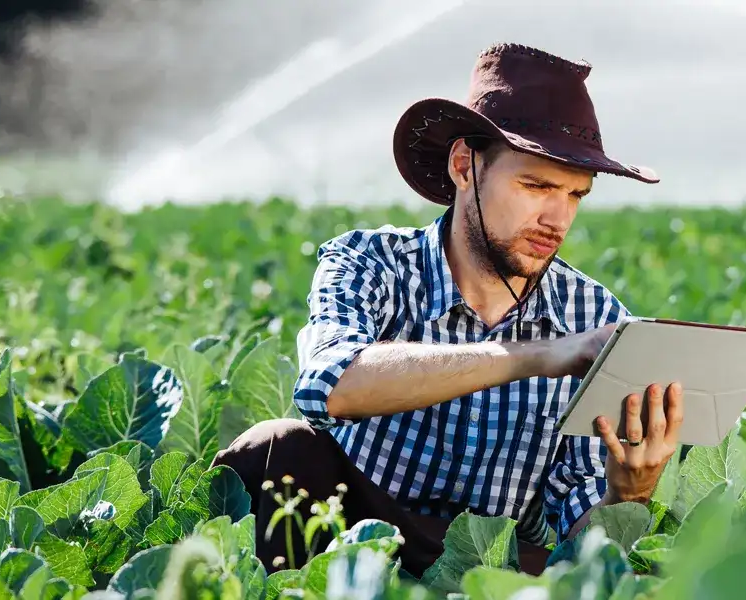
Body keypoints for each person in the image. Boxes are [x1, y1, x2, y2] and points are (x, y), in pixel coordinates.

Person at [211, 41, 684, 579]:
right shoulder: (370, 262)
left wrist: (631, 491)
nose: (558, 217)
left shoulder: (595, 314)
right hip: (345, 543)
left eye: (576, 195)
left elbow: (581, 544)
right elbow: (329, 384)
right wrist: (540, 355)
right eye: (535, 185)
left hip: (486, 568)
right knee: (276, 448)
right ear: (465, 166)